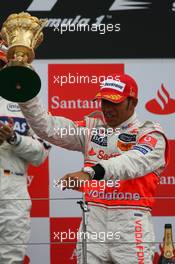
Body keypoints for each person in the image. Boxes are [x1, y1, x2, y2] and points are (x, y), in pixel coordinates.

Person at [17, 73, 168, 264]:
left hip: (131, 225)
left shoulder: (150, 134)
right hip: (93, 221)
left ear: (132, 102)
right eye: (103, 101)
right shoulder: (92, 128)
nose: (107, 108)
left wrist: (90, 173)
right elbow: (49, 127)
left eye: (114, 103)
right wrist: (25, 94)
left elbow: (131, 162)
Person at [0, 47, 51, 263]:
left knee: (11, 257)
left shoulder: (28, 103)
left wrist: (14, 139)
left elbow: (41, 154)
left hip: (13, 187)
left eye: (2, 65)